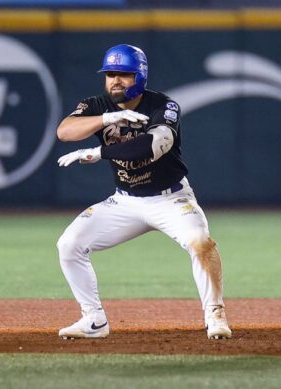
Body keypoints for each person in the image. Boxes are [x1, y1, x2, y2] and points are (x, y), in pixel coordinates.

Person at [55, 44, 231, 340]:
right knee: (69, 244)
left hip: (171, 199)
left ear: (140, 76)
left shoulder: (163, 106)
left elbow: (151, 147)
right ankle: (93, 320)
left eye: (123, 74)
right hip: (125, 202)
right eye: (110, 74)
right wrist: (107, 120)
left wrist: (99, 151)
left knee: (200, 243)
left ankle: (215, 313)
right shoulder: (99, 105)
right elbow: (65, 131)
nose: (115, 80)